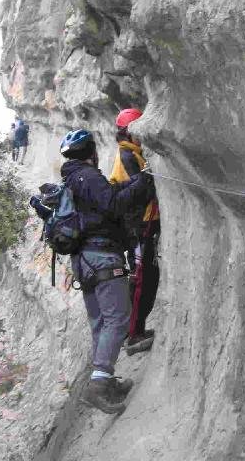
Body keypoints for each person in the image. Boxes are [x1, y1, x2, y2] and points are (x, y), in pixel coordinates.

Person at [49, 129, 153, 414]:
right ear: (91, 151)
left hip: (83, 262)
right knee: (118, 318)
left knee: (100, 323)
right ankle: (99, 384)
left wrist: (128, 185)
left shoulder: (71, 180)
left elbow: (107, 197)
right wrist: (144, 180)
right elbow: (113, 204)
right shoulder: (88, 176)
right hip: (102, 257)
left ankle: (106, 381)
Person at [109, 109, 160, 356]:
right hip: (140, 225)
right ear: (130, 131)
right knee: (141, 279)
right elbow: (136, 190)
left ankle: (135, 329)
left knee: (145, 276)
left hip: (140, 223)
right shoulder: (127, 156)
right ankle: (133, 334)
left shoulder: (130, 153)